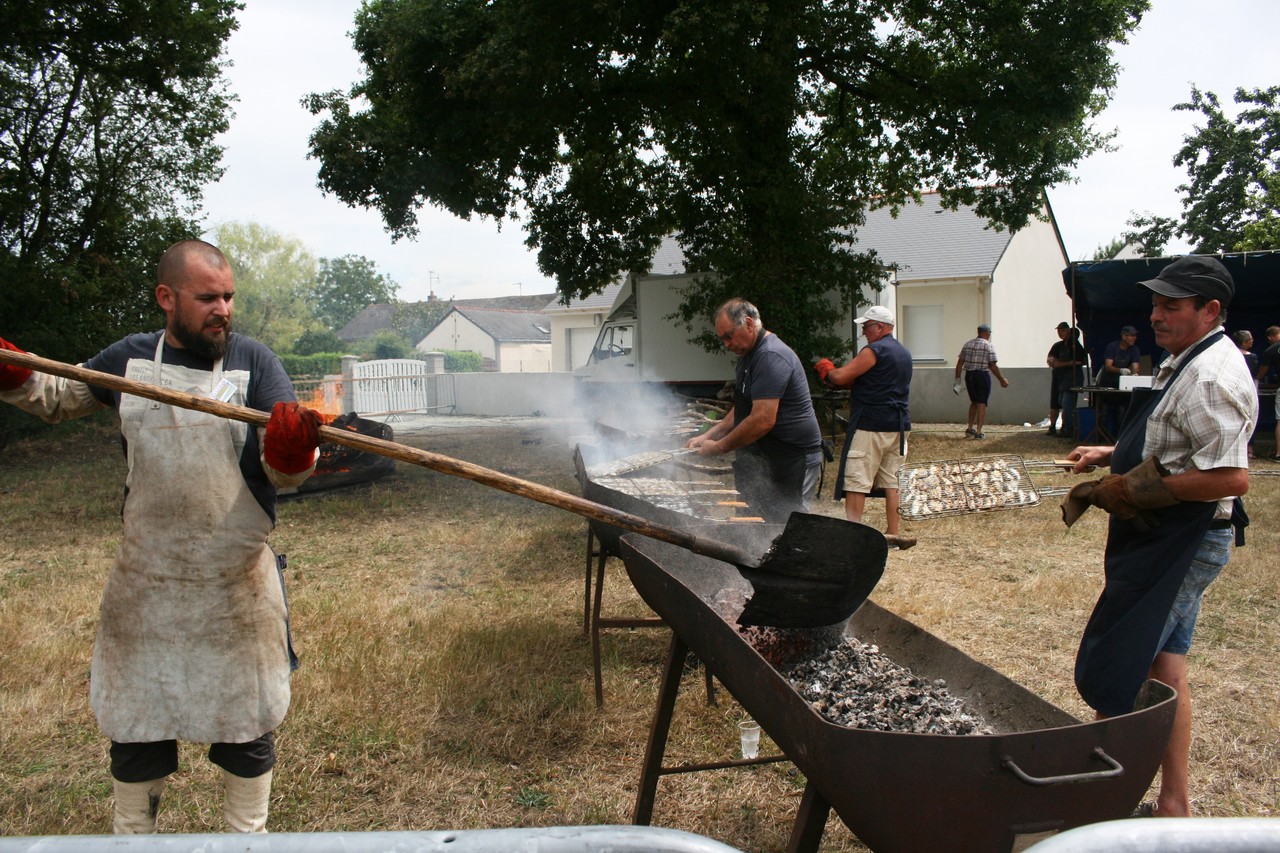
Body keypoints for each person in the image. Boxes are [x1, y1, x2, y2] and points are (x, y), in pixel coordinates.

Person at [0, 240, 322, 834]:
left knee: (246, 727)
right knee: (137, 725)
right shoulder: (129, 360)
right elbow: (59, 396)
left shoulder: (256, 363)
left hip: (235, 589)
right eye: (207, 297)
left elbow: (287, 476)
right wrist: (14, 369)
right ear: (167, 299)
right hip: (145, 588)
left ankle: (247, 843)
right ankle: (132, 841)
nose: (222, 308)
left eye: (228, 296)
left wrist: (294, 447)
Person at [1061, 255, 1254, 818]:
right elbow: (1174, 442)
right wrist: (1112, 454)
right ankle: (1173, 806)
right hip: (1164, 535)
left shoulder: (1214, 375)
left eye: (1172, 306)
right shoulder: (1186, 359)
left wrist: (1133, 491)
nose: (1156, 315)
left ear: (1210, 310)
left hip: (1183, 542)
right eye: (1155, 304)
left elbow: (1229, 478)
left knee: (1117, 666)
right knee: (1165, 669)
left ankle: (1097, 809)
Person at [685, 298, 823, 524]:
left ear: (749, 323)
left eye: (729, 336)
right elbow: (742, 407)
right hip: (764, 456)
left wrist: (719, 448)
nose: (726, 344)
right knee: (754, 522)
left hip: (793, 457)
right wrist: (708, 434)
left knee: (785, 525)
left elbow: (762, 420)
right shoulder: (747, 357)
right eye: (722, 339)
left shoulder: (770, 356)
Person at [814, 305, 914, 549]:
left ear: (880, 327)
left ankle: (853, 534)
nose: (864, 332)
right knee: (892, 481)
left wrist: (827, 369)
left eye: (866, 327)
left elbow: (840, 377)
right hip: (898, 426)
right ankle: (893, 533)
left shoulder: (874, 351)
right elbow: (876, 382)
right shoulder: (903, 352)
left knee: (856, 480)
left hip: (872, 425)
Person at [953, 323, 1009, 439]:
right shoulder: (988, 346)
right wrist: (1001, 379)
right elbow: (992, 365)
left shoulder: (968, 344)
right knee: (982, 403)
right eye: (989, 333)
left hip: (969, 376)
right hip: (982, 375)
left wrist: (957, 380)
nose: (989, 335)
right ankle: (979, 432)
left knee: (974, 401)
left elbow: (959, 363)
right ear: (985, 333)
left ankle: (969, 428)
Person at [1097, 325, 1143, 440]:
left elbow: (1136, 367)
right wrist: (1121, 370)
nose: (1134, 338)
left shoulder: (1134, 349)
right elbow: (1108, 366)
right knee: (1104, 412)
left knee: (1121, 412)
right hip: (1107, 384)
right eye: (1132, 335)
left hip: (1122, 386)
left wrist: (1134, 375)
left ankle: (1118, 439)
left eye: (1135, 335)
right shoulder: (1112, 347)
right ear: (1124, 336)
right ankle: (1102, 439)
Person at [1046, 322, 1087, 438]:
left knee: (1067, 403)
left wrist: (1062, 363)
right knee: (1059, 401)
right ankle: (1060, 427)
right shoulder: (1058, 345)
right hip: (1060, 378)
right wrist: (1053, 361)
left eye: (1062, 330)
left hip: (1072, 377)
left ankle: (1067, 428)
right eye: (1058, 330)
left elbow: (1081, 361)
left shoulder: (1076, 346)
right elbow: (1050, 358)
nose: (1060, 333)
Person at [1255, 325, 1280, 460]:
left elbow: (1261, 373)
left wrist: (1256, 377)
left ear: (1270, 338)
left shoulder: (1271, 350)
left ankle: (1279, 453)